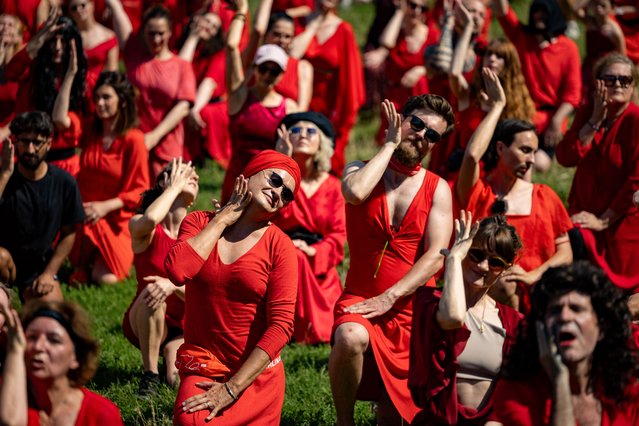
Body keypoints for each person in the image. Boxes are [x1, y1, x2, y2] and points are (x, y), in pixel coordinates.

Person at [330, 96, 454, 424]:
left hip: (411, 308)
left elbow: (436, 256)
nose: (422, 136)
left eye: (433, 135)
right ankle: (344, 423)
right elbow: (355, 193)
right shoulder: (359, 168)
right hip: (360, 298)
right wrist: (389, 145)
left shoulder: (438, 188)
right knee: (349, 336)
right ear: (400, 120)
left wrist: (391, 296)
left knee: (391, 419)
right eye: (417, 124)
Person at [165, 150, 300, 425]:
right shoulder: (200, 222)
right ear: (249, 174)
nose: (278, 192)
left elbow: (282, 326)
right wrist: (224, 218)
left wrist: (232, 388)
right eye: (275, 179)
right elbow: (178, 271)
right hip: (204, 366)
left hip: (254, 380)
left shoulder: (281, 246)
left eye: (286, 193)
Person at [455, 68, 573, 312]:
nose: (531, 160)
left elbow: (566, 252)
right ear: (500, 149)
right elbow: (471, 156)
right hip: (483, 298)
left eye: (534, 151)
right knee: (503, 286)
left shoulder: (544, 195)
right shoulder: (479, 191)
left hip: (537, 296)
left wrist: (533, 275)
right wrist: (497, 107)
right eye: (525, 150)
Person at [486, 261, 639, 426]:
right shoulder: (517, 394)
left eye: (576, 309)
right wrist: (560, 381)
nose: (565, 317)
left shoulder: (626, 390)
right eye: (555, 310)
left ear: (602, 328)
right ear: (541, 327)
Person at [409, 212, 523, 424]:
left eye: (495, 262)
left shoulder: (514, 322)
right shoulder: (430, 302)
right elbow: (453, 317)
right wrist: (452, 258)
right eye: (476, 255)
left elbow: (519, 392)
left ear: (505, 269)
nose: (483, 266)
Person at [556, 53, 639, 291]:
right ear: (597, 82)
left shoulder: (635, 119)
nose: (617, 85)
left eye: (625, 80)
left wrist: (603, 220)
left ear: (633, 86)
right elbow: (565, 157)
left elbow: (636, 180)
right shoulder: (587, 112)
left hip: (618, 224)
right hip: (584, 213)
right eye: (610, 79)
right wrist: (594, 120)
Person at [65, 71, 149, 285]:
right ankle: (84, 260)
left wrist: (105, 206)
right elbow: (60, 120)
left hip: (115, 218)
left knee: (106, 278)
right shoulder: (91, 132)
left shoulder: (134, 139)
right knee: (81, 274)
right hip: (84, 214)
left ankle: (100, 258)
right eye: (97, 98)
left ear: (121, 101)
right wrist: (70, 75)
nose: (99, 103)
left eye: (106, 97)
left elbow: (140, 189)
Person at [124, 158, 198, 396]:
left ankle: (166, 367)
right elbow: (151, 219)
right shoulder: (144, 227)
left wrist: (171, 285)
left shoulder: (200, 235)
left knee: (178, 380)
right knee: (152, 291)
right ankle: (149, 374)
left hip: (182, 326)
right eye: (186, 173)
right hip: (145, 315)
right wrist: (174, 187)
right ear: (165, 180)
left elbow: (205, 294)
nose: (194, 177)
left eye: (195, 177)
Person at [273, 111, 345, 344]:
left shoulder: (334, 186)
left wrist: (314, 251)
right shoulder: (275, 179)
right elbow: (269, 216)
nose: (302, 134)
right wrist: (283, 165)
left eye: (310, 131)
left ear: (322, 143)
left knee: (300, 257)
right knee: (293, 255)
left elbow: (338, 235)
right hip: (279, 253)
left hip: (317, 263)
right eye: (295, 130)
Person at [0, 111, 84, 302]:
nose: (30, 149)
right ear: (15, 142)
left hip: (38, 270)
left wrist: (50, 272)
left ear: (49, 143)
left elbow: (69, 232)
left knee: (51, 315)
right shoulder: (4, 177)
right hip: (3, 266)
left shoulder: (65, 183)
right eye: (24, 141)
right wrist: (5, 174)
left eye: (37, 142)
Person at [107, 0, 196, 178]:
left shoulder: (181, 65)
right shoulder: (134, 54)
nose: (156, 39)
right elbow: (119, 13)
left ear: (170, 32)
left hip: (167, 145)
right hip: (133, 140)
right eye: (151, 33)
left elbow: (183, 107)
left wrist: (154, 136)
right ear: (143, 33)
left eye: (161, 33)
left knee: (166, 198)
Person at [0, 300, 124, 425]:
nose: (38, 346)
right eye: (32, 337)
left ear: (76, 357)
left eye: (53, 340)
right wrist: (15, 350)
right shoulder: (6, 397)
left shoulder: (101, 414)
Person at [222, 0, 298, 203]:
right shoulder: (240, 96)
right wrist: (241, 12)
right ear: (254, 68)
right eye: (263, 68)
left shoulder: (290, 107)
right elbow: (231, 47)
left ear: (282, 74)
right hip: (238, 180)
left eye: (274, 71)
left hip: (270, 186)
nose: (268, 75)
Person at [494, 0, 582, 173]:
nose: (538, 16)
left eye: (544, 12)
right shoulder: (522, 38)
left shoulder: (568, 48)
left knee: (540, 163)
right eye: (536, 11)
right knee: (515, 158)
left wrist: (556, 122)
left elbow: (572, 95)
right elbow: (503, 12)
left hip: (551, 118)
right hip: (522, 113)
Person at [4, 8, 87, 177]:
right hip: (28, 160)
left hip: (65, 165)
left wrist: (70, 74)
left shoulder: (83, 80)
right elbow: (11, 72)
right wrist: (41, 36)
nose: (57, 47)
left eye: (63, 41)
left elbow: (60, 121)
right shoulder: (34, 73)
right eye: (52, 41)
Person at [441, 36, 535, 180]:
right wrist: (467, 28)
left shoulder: (518, 106)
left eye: (499, 56)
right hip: (465, 174)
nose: (492, 59)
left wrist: (526, 190)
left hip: (499, 178)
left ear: (509, 64)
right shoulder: (470, 95)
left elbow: (525, 152)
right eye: (488, 54)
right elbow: (454, 73)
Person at [289, 0, 365, 175]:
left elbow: (351, 73)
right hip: (299, 91)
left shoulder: (344, 29)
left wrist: (343, 109)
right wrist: (314, 25)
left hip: (329, 96)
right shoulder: (300, 22)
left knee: (324, 154)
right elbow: (292, 54)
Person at [364, 0, 439, 144]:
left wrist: (422, 69)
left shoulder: (432, 34)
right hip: (396, 95)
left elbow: (438, 66)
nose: (416, 11)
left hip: (420, 96)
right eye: (412, 5)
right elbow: (386, 42)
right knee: (387, 141)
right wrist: (399, 13)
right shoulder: (397, 33)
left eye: (422, 8)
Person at [178, 12, 230, 167]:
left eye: (214, 27)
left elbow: (209, 83)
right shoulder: (185, 47)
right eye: (207, 21)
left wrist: (195, 108)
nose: (209, 27)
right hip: (187, 98)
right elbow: (178, 70)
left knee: (197, 113)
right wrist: (193, 37)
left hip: (209, 102)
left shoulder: (218, 54)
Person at [244, 1, 313, 110]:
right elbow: (258, 29)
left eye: (287, 36)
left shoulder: (303, 67)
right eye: (276, 34)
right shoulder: (253, 59)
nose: (282, 40)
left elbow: (301, 109)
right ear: (267, 34)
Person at [67, 0, 118, 114]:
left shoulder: (108, 36)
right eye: (74, 8)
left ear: (92, 5)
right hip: (75, 93)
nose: (79, 10)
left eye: (83, 5)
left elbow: (112, 72)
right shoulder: (69, 38)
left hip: (99, 95)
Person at [0, 13, 24, 140]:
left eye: (10, 25)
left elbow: (26, 107)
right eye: (1, 24)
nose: (4, 28)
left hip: (13, 132)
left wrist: (5, 132)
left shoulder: (23, 66)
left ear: (19, 34)